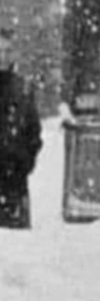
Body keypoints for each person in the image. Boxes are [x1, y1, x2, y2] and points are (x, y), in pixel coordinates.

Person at [0, 25, 42, 229]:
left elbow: (33, 133)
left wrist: (24, 162)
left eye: (7, 51)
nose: (3, 56)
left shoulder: (23, 89)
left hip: (14, 187)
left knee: (18, 253)